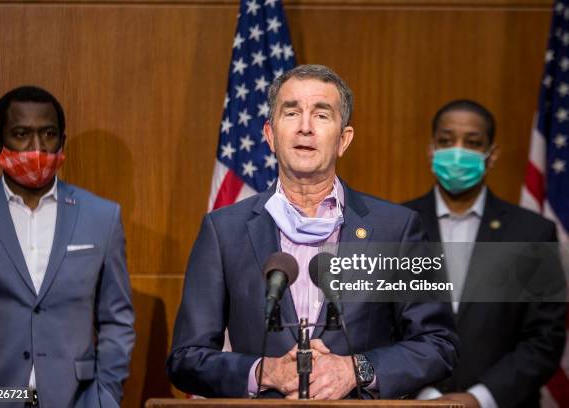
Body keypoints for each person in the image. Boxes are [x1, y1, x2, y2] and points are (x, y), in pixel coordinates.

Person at [167, 64, 458, 399]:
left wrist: (355, 369)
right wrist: (262, 372)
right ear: (270, 135)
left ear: (343, 139)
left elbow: (439, 344)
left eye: (322, 115)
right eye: (291, 113)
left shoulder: (397, 229)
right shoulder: (223, 230)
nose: (305, 128)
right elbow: (185, 358)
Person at [0, 86, 135, 407]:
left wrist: (104, 397)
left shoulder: (102, 216)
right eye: (22, 134)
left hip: (75, 399)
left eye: (49, 134)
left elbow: (117, 320)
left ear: (62, 141)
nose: (37, 148)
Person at [405, 99, 566, 408]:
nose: (458, 151)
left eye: (473, 142)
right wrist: (424, 397)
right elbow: (379, 326)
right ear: (431, 150)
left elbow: (545, 338)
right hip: (412, 402)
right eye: (446, 141)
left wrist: (480, 399)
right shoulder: (395, 225)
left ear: (491, 156)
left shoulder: (532, 233)